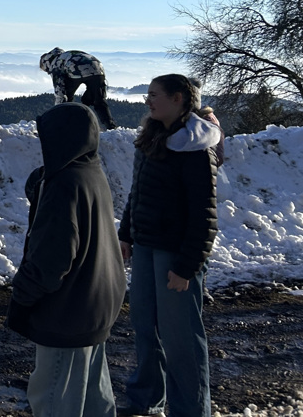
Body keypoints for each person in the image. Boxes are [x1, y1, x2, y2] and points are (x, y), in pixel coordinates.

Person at [6, 102, 126, 417]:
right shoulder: (91, 170)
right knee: (92, 396)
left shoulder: (64, 186)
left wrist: (21, 298)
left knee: (55, 396)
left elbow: (51, 261)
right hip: (95, 303)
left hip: (68, 310)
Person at [117, 74, 220, 417]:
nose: (148, 100)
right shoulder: (153, 137)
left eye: (154, 95)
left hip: (175, 254)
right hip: (146, 246)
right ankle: (145, 397)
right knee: (144, 325)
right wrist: (126, 233)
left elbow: (204, 214)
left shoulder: (194, 147)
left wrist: (187, 267)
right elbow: (139, 191)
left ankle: (190, 410)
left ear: (178, 99)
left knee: (181, 340)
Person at [39, 48, 117, 130]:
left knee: (67, 101)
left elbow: (60, 91)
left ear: (45, 64)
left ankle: (66, 126)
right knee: (99, 100)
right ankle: (111, 127)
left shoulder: (55, 64)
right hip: (98, 69)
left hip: (75, 69)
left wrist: (58, 110)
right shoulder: (67, 55)